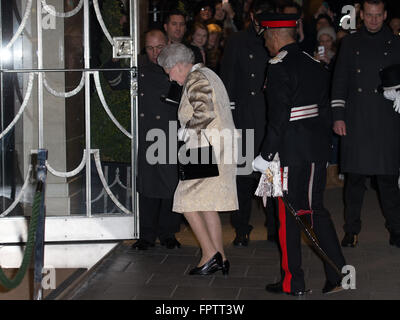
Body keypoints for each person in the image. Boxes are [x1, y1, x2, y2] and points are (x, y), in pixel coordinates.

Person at [253, 12, 346, 295]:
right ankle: (300, 279)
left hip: (290, 153)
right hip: (314, 150)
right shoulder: (313, 63)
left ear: (274, 36)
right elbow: (324, 111)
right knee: (307, 211)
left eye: (266, 38)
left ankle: (322, 276)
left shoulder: (278, 65)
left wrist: (266, 155)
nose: (267, 44)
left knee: (296, 214)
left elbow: (279, 117)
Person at [157, 43, 239, 275]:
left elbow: (204, 112)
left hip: (203, 148)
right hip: (216, 148)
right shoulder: (209, 73)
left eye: (169, 71)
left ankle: (209, 254)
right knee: (207, 204)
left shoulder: (196, 79)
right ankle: (220, 257)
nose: (170, 79)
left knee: (185, 200)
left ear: (180, 65)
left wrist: (186, 131)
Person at [103, 30, 182, 250]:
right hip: (147, 133)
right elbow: (115, 82)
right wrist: (115, 59)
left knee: (170, 186)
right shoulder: (139, 67)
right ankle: (146, 234)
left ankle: (168, 233)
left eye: (159, 47)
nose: (155, 53)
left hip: (170, 132)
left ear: (168, 44)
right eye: (150, 48)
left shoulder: (179, 64)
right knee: (147, 186)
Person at [331, 0, 400, 248]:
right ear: (361, 14)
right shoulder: (350, 43)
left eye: (378, 15)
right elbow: (339, 81)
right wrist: (338, 115)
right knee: (355, 183)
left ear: (385, 14)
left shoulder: (396, 43)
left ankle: (396, 229)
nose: (373, 20)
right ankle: (351, 231)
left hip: (386, 119)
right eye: (369, 15)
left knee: (389, 182)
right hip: (356, 119)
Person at [220, 0, 278, 246]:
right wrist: (228, 118)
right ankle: (241, 228)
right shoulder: (237, 41)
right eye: (260, 15)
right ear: (252, 15)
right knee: (242, 179)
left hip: (268, 119)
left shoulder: (276, 40)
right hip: (243, 118)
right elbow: (227, 79)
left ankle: (274, 227)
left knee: (271, 178)